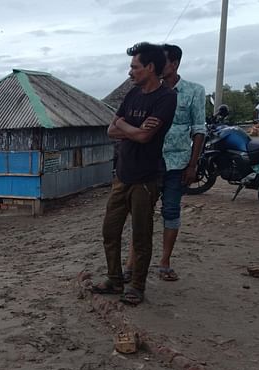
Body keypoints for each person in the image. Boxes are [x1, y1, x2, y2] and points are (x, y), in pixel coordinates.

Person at [93, 42, 177, 305]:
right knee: (110, 231)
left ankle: (137, 286)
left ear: (150, 68)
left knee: (141, 235)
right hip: (122, 176)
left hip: (145, 180)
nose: (130, 73)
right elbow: (111, 131)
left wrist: (125, 126)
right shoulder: (132, 95)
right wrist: (132, 128)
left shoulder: (166, 97)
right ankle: (115, 279)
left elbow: (144, 136)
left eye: (134, 67)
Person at [122, 44, 205, 283]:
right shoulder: (146, 91)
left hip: (176, 161)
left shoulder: (192, 91)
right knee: (140, 213)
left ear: (174, 63)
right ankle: (131, 263)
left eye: (163, 62)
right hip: (147, 161)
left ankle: (164, 262)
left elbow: (198, 129)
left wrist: (192, 164)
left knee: (170, 210)